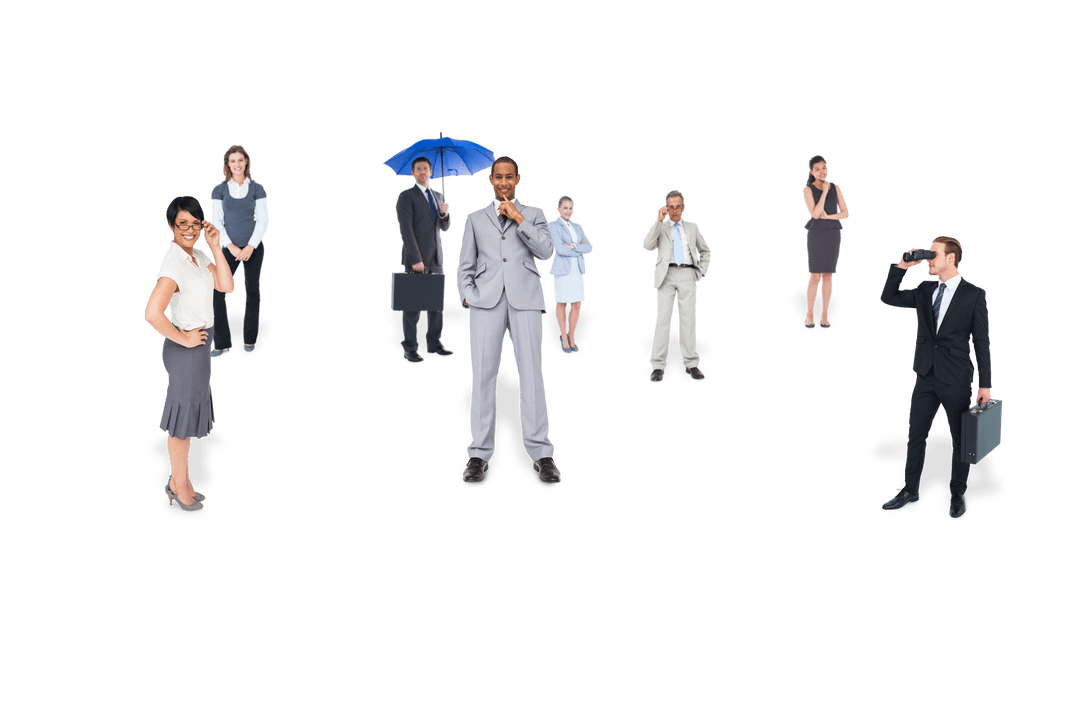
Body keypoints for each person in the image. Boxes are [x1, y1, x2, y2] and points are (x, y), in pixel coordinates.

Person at [456, 155, 562, 486]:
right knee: (483, 376)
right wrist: (468, 295)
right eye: (498, 177)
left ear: (518, 179)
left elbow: (547, 251)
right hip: (485, 302)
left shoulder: (534, 214)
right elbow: (465, 264)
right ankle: (478, 454)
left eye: (509, 177)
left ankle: (541, 453)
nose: (503, 182)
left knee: (531, 374)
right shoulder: (474, 218)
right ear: (490, 179)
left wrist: (518, 218)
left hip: (526, 299)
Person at [877, 235, 992, 519]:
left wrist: (985, 383)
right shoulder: (925, 289)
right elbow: (887, 297)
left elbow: (982, 342)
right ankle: (909, 490)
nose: (927, 258)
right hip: (926, 376)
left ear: (950, 258)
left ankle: (957, 493)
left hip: (956, 378)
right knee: (915, 436)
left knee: (961, 441)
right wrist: (904, 265)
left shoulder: (973, 294)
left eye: (933, 254)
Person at [144, 195, 235, 511]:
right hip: (185, 351)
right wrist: (182, 339)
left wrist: (216, 245)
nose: (190, 229)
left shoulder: (198, 255)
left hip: (198, 348)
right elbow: (153, 313)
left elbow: (227, 286)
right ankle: (177, 485)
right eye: (183, 224)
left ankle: (181, 481)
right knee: (181, 423)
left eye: (195, 224)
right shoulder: (174, 264)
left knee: (187, 420)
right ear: (171, 226)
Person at [643, 189, 711, 383]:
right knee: (663, 320)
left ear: (683, 207)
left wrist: (700, 271)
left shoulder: (692, 227)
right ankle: (657, 366)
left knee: (688, 319)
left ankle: (691, 363)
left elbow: (705, 251)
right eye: (670, 207)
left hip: (688, 274)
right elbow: (647, 246)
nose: (674, 210)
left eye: (677, 207)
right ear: (666, 207)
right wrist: (658, 220)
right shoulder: (661, 227)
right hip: (666, 275)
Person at [209, 144, 268, 356]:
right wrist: (232, 247)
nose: (237, 164)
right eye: (232, 161)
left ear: (246, 163)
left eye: (240, 160)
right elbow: (216, 222)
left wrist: (250, 246)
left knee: (252, 292)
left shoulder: (256, 188)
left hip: (253, 248)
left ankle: (250, 339)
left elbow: (262, 221)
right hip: (229, 248)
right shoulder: (220, 190)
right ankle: (222, 341)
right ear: (227, 165)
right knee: (217, 292)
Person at [395, 156, 453, 362]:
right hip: (417, 259)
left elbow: (443, 228)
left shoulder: (438, 195)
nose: (422, 172)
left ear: (431, 172)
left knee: (436, 304)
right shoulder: (406, 196)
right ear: (413, 173)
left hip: (437, 258)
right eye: (418, 169)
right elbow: (406, 230)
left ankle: (435, 344)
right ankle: (410, 348)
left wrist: (445, 214)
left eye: (425, 169)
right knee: (412, 305)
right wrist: (415, 258)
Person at [801, 154, 850, 328]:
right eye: (817, 169)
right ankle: (809, 315)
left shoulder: (836, 187)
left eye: (824, 167)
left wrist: (829, 216)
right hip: (816, 233)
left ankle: (824, 316)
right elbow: (815, 213)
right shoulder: (807, 189)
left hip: (833, 232)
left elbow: (845, 212)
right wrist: (824, 192)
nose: (822, 171)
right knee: (815, 275)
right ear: (811, 171)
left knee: (828, 274)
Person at [548, 194, 593, 353]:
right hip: (562, 270)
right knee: (561, 303)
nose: (568, 211)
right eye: (565, 208)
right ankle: (563, 336)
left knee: (576, 304)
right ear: (558, 208)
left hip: (577, 270)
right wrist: (578, 248)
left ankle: (572, 336)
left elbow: (589, 247)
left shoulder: (578, 227)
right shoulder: (553, 226)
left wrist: (572, 246)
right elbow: (559, 249)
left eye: (571, 208)